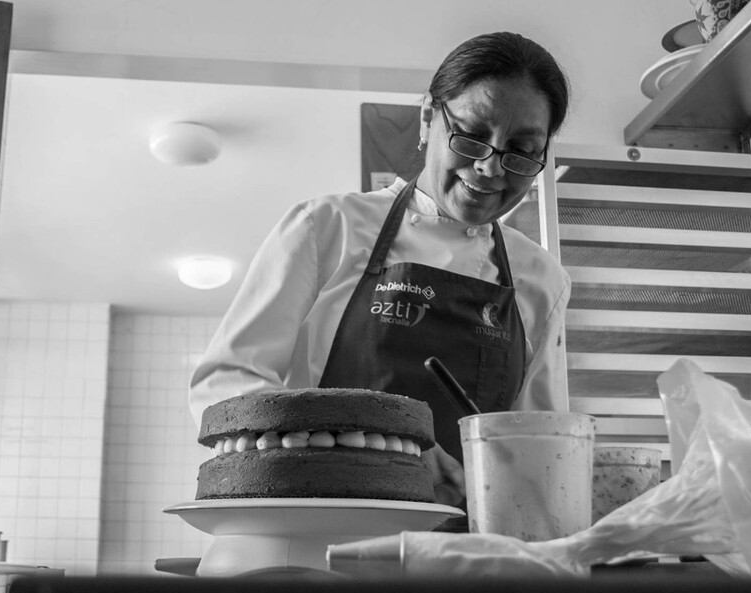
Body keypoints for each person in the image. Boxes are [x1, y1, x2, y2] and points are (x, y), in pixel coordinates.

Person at [189, 31, 571, 507]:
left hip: (461, 550)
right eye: (472, 137)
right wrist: (379, 448)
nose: (491, 169)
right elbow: (229, 382)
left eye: (521, 150)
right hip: (319, 533)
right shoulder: (327, 227)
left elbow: (542, 446)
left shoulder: (541, 279)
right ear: (428, 120)